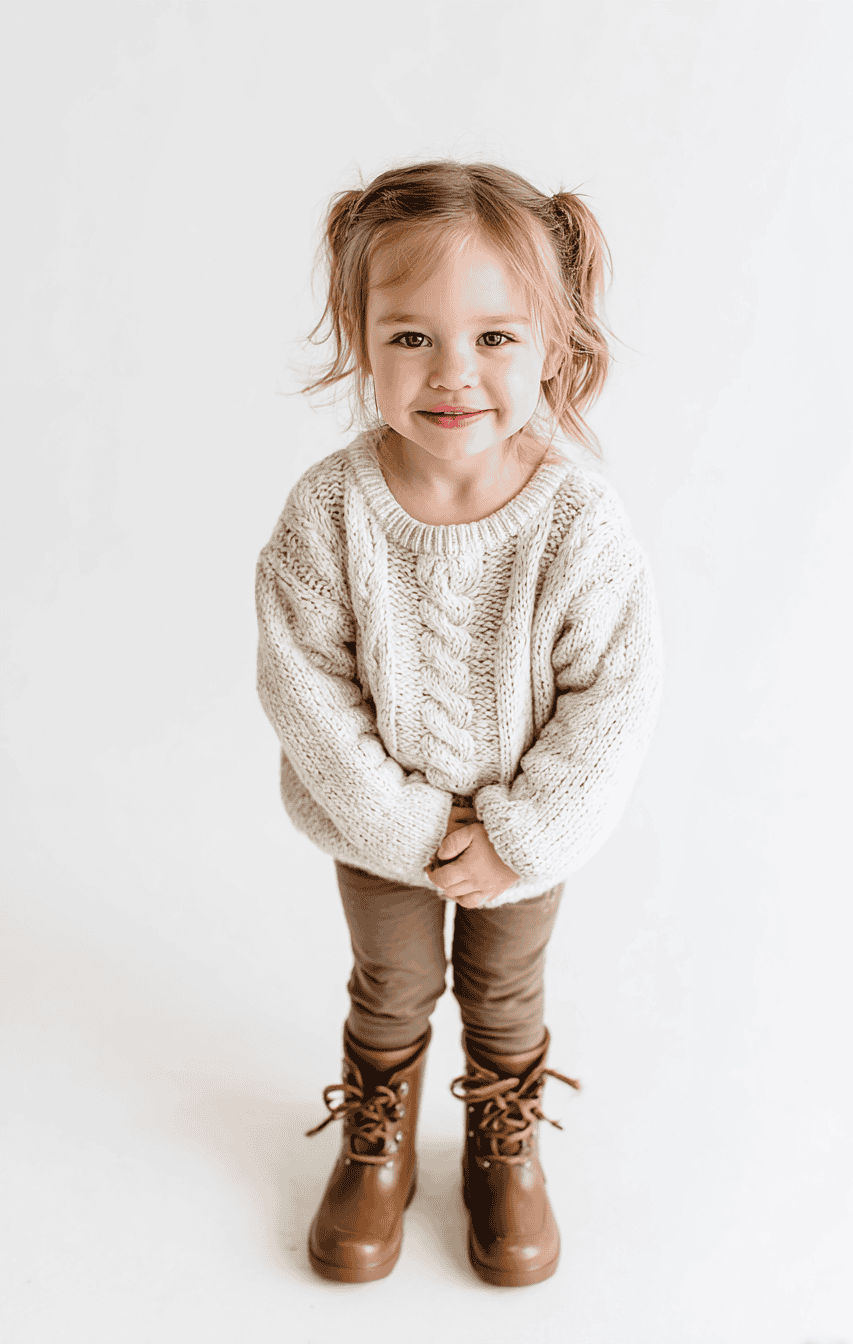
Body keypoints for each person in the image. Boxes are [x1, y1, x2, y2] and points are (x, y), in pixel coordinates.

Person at [255, 160, 662, 1287]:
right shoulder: (329, 511)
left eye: (493, 338)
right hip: (377, 827)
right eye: (409, 337)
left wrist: (517, 838)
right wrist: (405, 830)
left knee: (503, 989)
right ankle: (375, 1136)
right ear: (359, 333)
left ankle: (500, 1139)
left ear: (554, 344)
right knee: (388, 984)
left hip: (523, 836)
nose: (452, 374)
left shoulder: (575, 518)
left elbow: (613, 696)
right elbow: (303, 683)